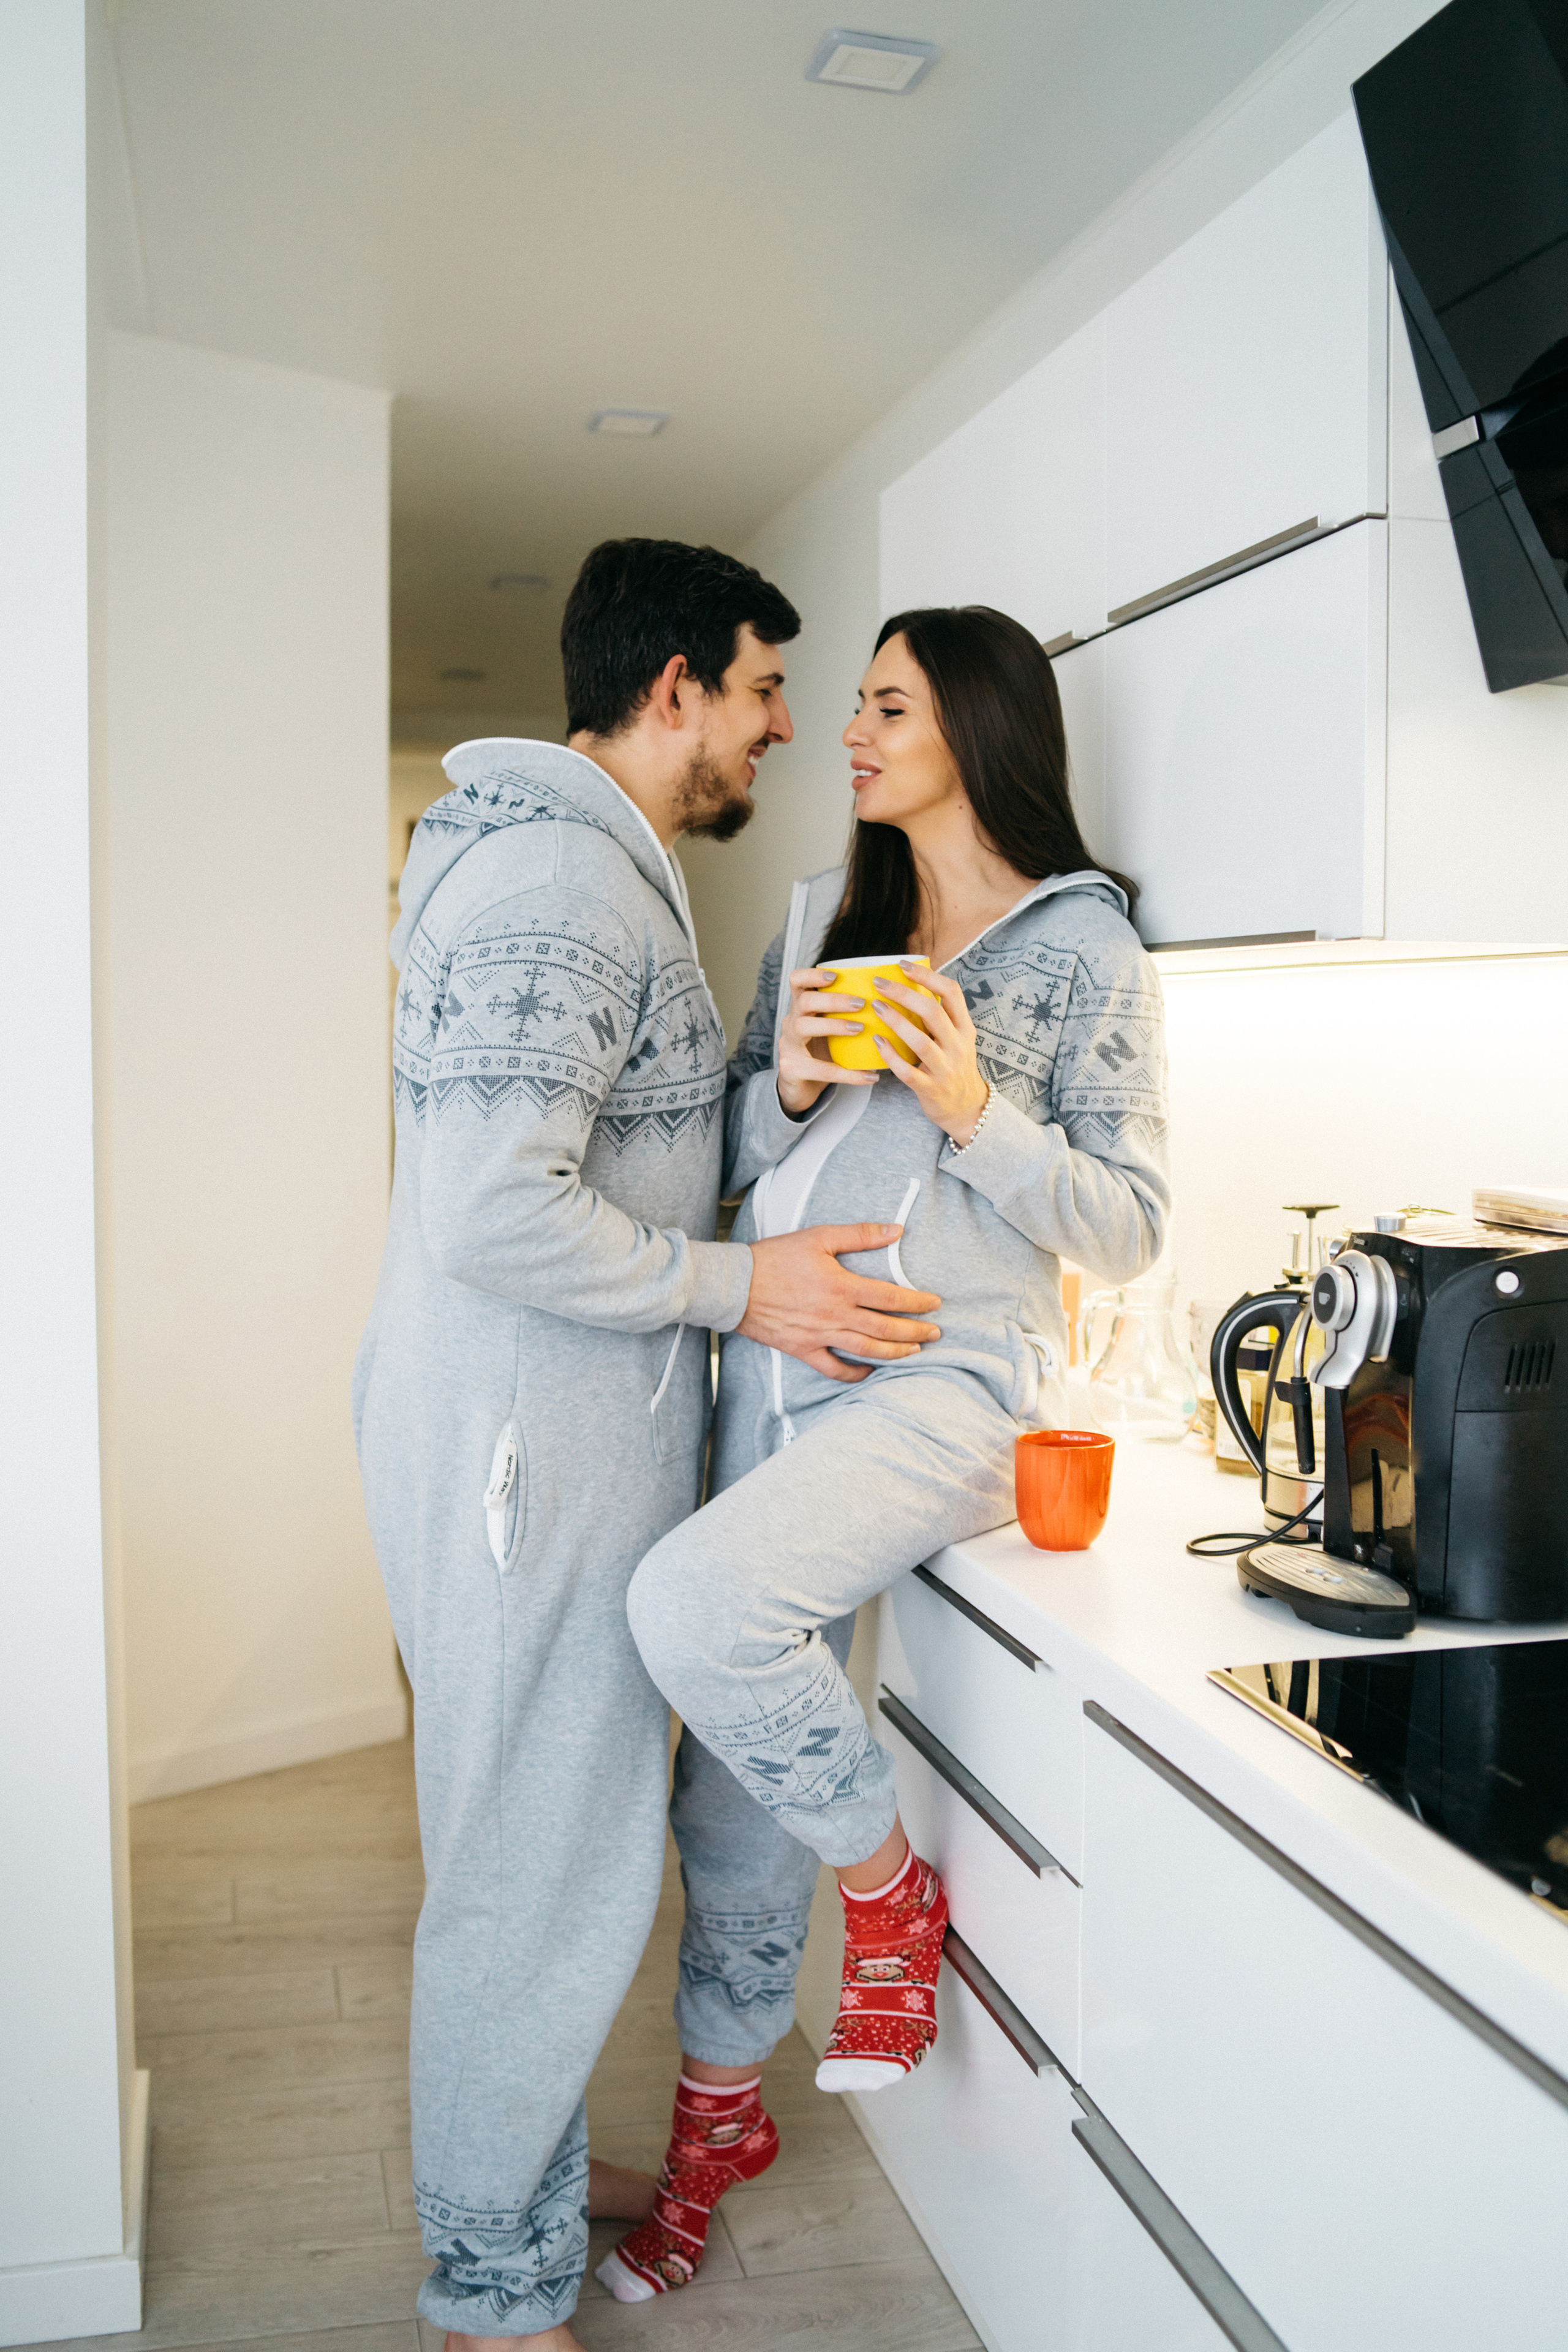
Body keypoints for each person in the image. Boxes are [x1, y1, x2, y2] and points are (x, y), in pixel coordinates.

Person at [352, 540, 944, 2352]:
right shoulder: (567, 883)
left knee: (543, 1854)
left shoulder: (601, 869)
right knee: (533, 1882)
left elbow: (603, 1146)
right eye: (770, 687)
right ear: (677, 683)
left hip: (524, 1450)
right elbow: (493, 1214)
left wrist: (765, 1099)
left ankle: (510, 2190)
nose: (788, 727)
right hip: (525, 1468)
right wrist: (738, 1288)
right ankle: (495, 2300)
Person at [598, 603, 1172, 2302]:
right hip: (773, 1380)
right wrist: (770, 1089)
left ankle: (892, 1897)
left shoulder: (1085, 956)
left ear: (977, 729)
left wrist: (976, 1109)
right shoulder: (824, 927)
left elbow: (1129, 1225)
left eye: (886, 705)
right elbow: (714, 1172)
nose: (845, 733)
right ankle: (715, 2133)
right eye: (846, 705)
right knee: (730, 1801)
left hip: (948, 1388)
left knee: (691, 1610)